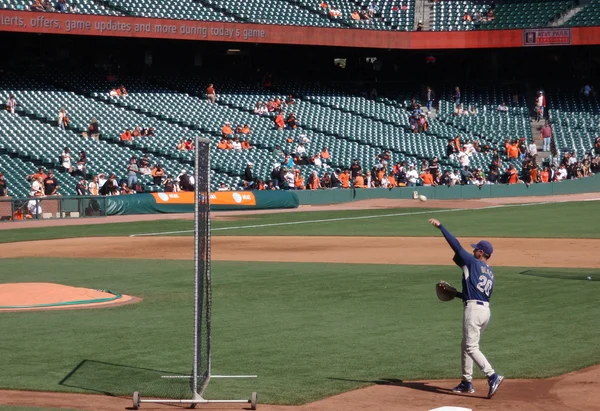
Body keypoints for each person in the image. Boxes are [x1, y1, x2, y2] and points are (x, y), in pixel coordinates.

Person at [428, 218, 504, 398]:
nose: (473, 250)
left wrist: (441, 227)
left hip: (474, 311)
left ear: (481, 253)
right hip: (485, 311)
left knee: (471, 346)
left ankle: (492, 375)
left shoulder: (472, 262)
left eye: (476, 248)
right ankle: (466, 382)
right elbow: (477, 294)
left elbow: (456, 246)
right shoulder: (490, 272)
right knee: (466, 345)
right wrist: (457, 294)